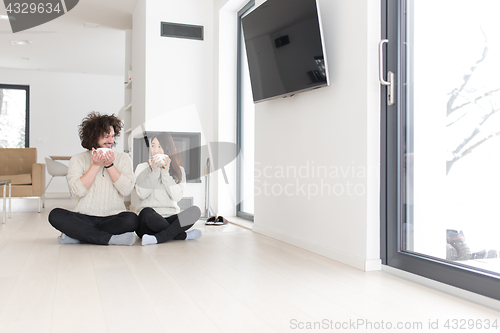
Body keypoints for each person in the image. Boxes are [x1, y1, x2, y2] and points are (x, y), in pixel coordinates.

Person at [48, 112, 138, 245]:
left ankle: (78, 235)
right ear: (93, 136)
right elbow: (78, 191)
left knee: (132, 219)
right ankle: (108, 238)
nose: (111, 141)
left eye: (112, 136)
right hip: (84, 216)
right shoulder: (78, 159)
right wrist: (95, 165)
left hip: (113, 217)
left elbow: (126, 190)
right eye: (106, 136)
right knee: (55, 215)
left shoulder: (123, 158)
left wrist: (110, 165)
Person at [134, 132, 201, 246]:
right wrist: (154, 171)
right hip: (147, 222)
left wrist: (165, 172)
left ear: (168, 149)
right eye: (153, 146)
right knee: (146, 212)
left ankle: (157, 238)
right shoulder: (142, 167)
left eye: (160, 146)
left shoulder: (179, 170)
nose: (155, 150)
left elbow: (177, 196)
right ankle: (182, 235)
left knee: (195, 211)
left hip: (169, 217)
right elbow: (141, 194)